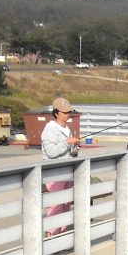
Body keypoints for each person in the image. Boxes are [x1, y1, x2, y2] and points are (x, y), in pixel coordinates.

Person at [42, 96, 81, 236]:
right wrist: (67, 143)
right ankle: (50, 234)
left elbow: (68, 151)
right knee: (56, 204)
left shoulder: (67, 128)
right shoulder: (50, 129)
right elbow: (51, 152)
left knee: (65, 204)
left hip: (67, 171)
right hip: (54, 172)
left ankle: (61, 235)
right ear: (56, 113)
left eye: (69, 111)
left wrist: (74, 147)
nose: (67, 114)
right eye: (64, 112)